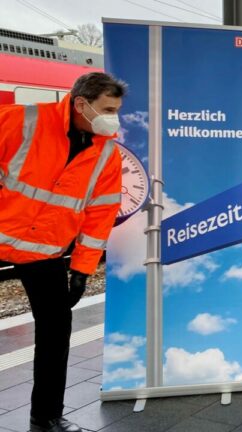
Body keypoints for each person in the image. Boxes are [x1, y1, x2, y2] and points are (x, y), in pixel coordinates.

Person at [0, 72, 125, 432]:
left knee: (57, 329)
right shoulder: (22, 121)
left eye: (117, 110)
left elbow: (100, 215)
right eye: (108, 109)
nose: (113, 118)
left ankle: (47, 418)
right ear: (81, 104)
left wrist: (83, 269)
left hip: (44, 251)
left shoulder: (107, 154)